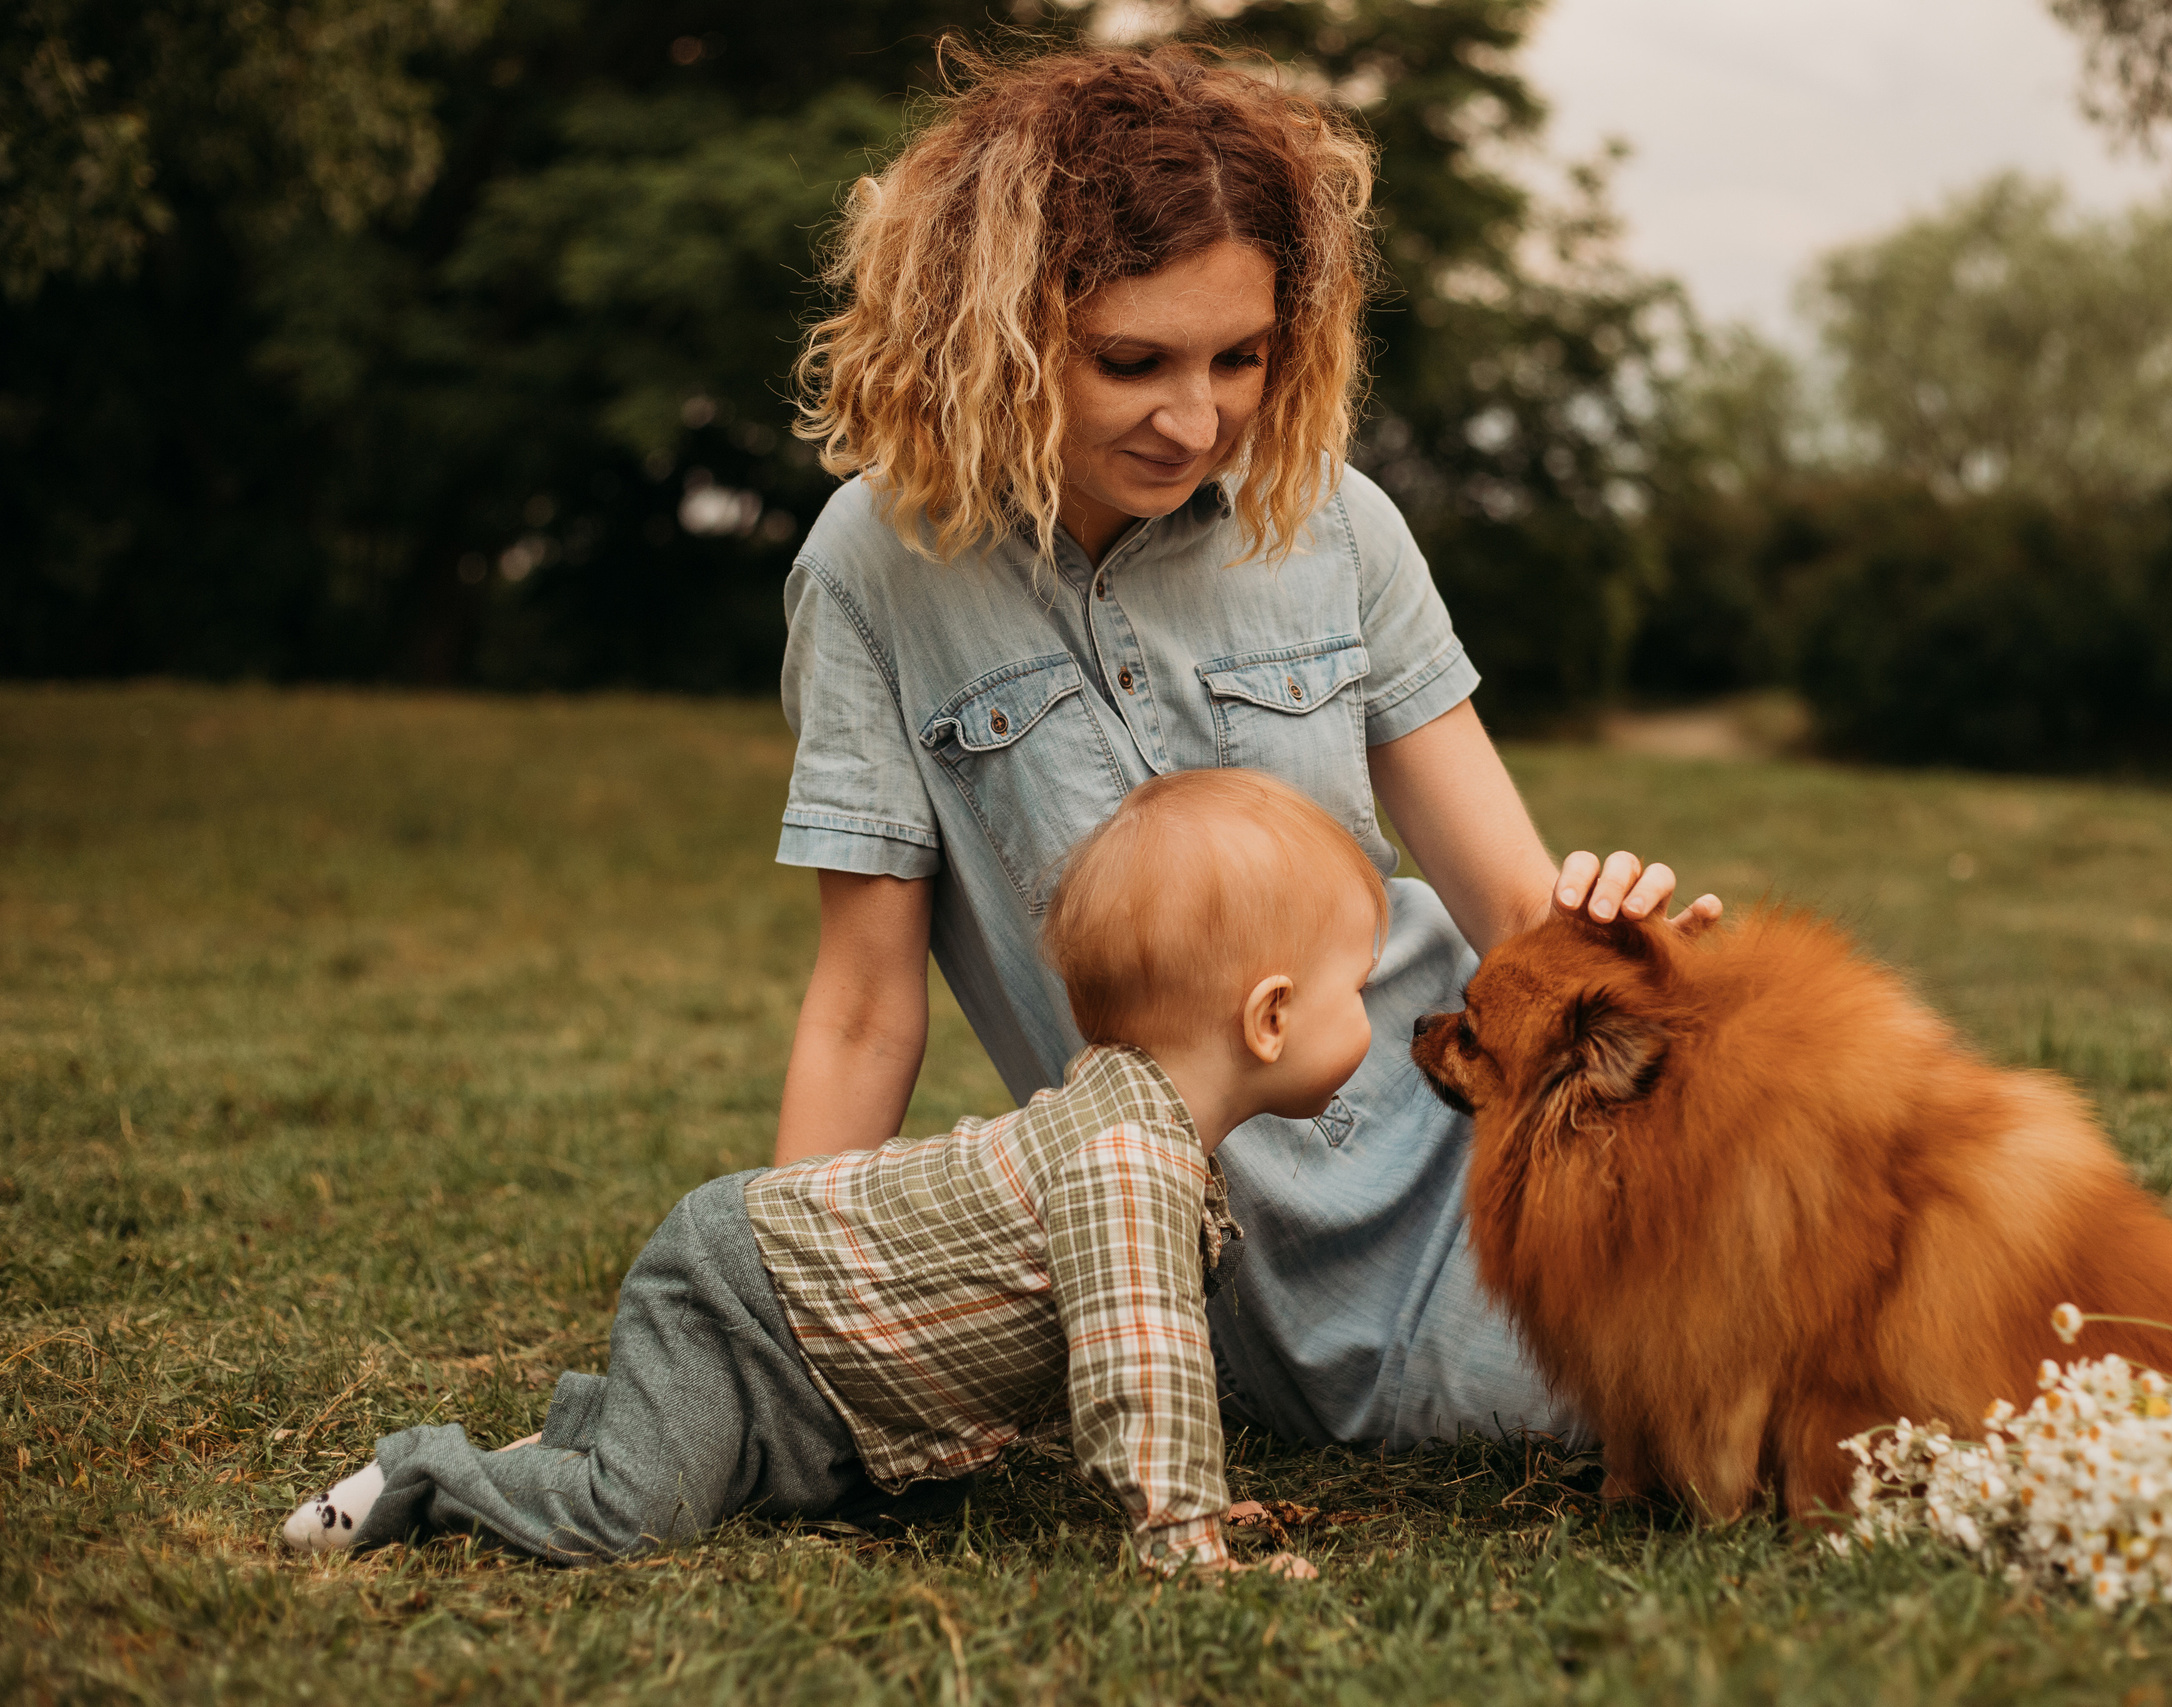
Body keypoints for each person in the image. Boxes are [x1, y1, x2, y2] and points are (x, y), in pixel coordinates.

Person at [775, 42, 1717, 1452]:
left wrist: (1635, 954)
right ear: (999, 334)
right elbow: (864, 1005)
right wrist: (800, 1322)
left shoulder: (1335, 520)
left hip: (1489, 1154)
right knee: (1678, 1403)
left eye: (1243, 356)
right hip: (1212, 1257)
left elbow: (1515, 915)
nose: (1198, 417)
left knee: (1810, 1304)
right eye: (1131, 361)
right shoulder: (875, 570)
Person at [280, 769, 1375, 1574]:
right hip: (745, 1291)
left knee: (761, 1484)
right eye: (1356, 987)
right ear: (1270, 1016)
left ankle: (594, 1429)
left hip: (812, 1355)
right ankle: (423, 1473)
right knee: (633, 1519)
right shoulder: (1125, 1159)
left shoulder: (1134, 1125)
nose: (1370, 1012)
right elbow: (1143, 1365)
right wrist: (1183, 1542)